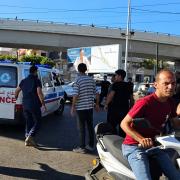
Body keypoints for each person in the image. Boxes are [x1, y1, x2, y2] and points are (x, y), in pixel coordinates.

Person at [121, 69, 180, 180]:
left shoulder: (170, 102)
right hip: (134, 147)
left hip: (154, 146)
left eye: (173, 83)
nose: (171, 87)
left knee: (176, 176)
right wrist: (141, 139)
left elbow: (176, 124)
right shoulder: (145, 102)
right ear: (155, 85)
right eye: (166, 83)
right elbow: (124, 124)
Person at [71, 63, 99, 153]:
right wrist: (97, 104)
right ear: (86, 70)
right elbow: (97, 93)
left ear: (78, 70)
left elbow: (75, 95)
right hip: (90, 107)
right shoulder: (91, 80)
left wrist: (73, 107)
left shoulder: (77, 80)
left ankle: (81, 147)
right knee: (90, 127)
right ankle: (91, 145)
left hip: (80, 108)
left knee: (81, 128)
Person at [15, 65, 47, 147]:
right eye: (37, 71)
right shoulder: (37, 80)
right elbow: (39, 93)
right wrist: (43, 104)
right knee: (38, 121)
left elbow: (17, 90)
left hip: (25, 104)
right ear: (35, 71)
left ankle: (27, 140)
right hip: (34, 105)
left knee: (29, 121)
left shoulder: (24, 80)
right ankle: (30, 136)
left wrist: (16, 97)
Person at [104, 69, 134, 137]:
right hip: (124, 109)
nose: (115, 77)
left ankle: (113, 140)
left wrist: (106, 104)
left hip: (113, 109)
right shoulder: (129, 85)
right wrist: (131, 107)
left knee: (111, 126)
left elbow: (111, 95)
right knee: (123, 126)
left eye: (116, 75)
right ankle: (122, 141)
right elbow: (131, 98)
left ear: (120, 76)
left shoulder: (115, 85)